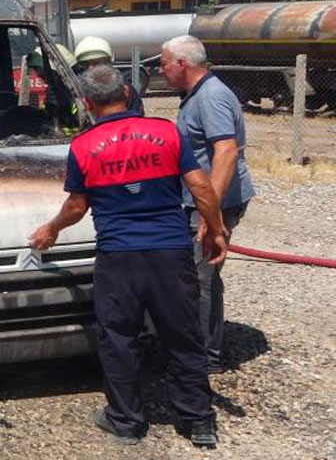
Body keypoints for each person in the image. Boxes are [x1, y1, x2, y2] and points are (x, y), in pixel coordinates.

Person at [29, 65, 226, 448]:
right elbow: (200, 185)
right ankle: (199, 421)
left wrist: (51, 229)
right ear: (126, 92)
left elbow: (76, 206)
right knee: (183, 335)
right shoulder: (166, 132)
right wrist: (215, 229)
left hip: (119, 256)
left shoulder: (84, 146)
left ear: (87, 102)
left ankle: (126, 421)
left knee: (119, 337)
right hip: (170, 251)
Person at [160, 34, 255, 373]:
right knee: (196, 274)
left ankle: (204, 359)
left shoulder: (211, 97)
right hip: (202, 200)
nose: (162, 70)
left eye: (164, 64)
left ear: (182, 64)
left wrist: (209, 212)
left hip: (215, 202)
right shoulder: (196, 95)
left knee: (201, 276)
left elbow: (226, 152)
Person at [74, 36, 146, 115]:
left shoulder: (124, 89)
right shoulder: (77, 90)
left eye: (97, 62)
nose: (91, 68)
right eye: (85, 64)